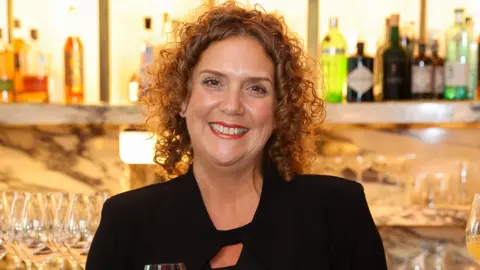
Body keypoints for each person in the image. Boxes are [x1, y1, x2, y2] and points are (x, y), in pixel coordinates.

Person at [86, 3, 387, 270]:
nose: (232, 106)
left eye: (256, 88)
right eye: (213, 82)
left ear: (279, 110)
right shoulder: (126, 223)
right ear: (182, 98)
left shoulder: (338, 212)